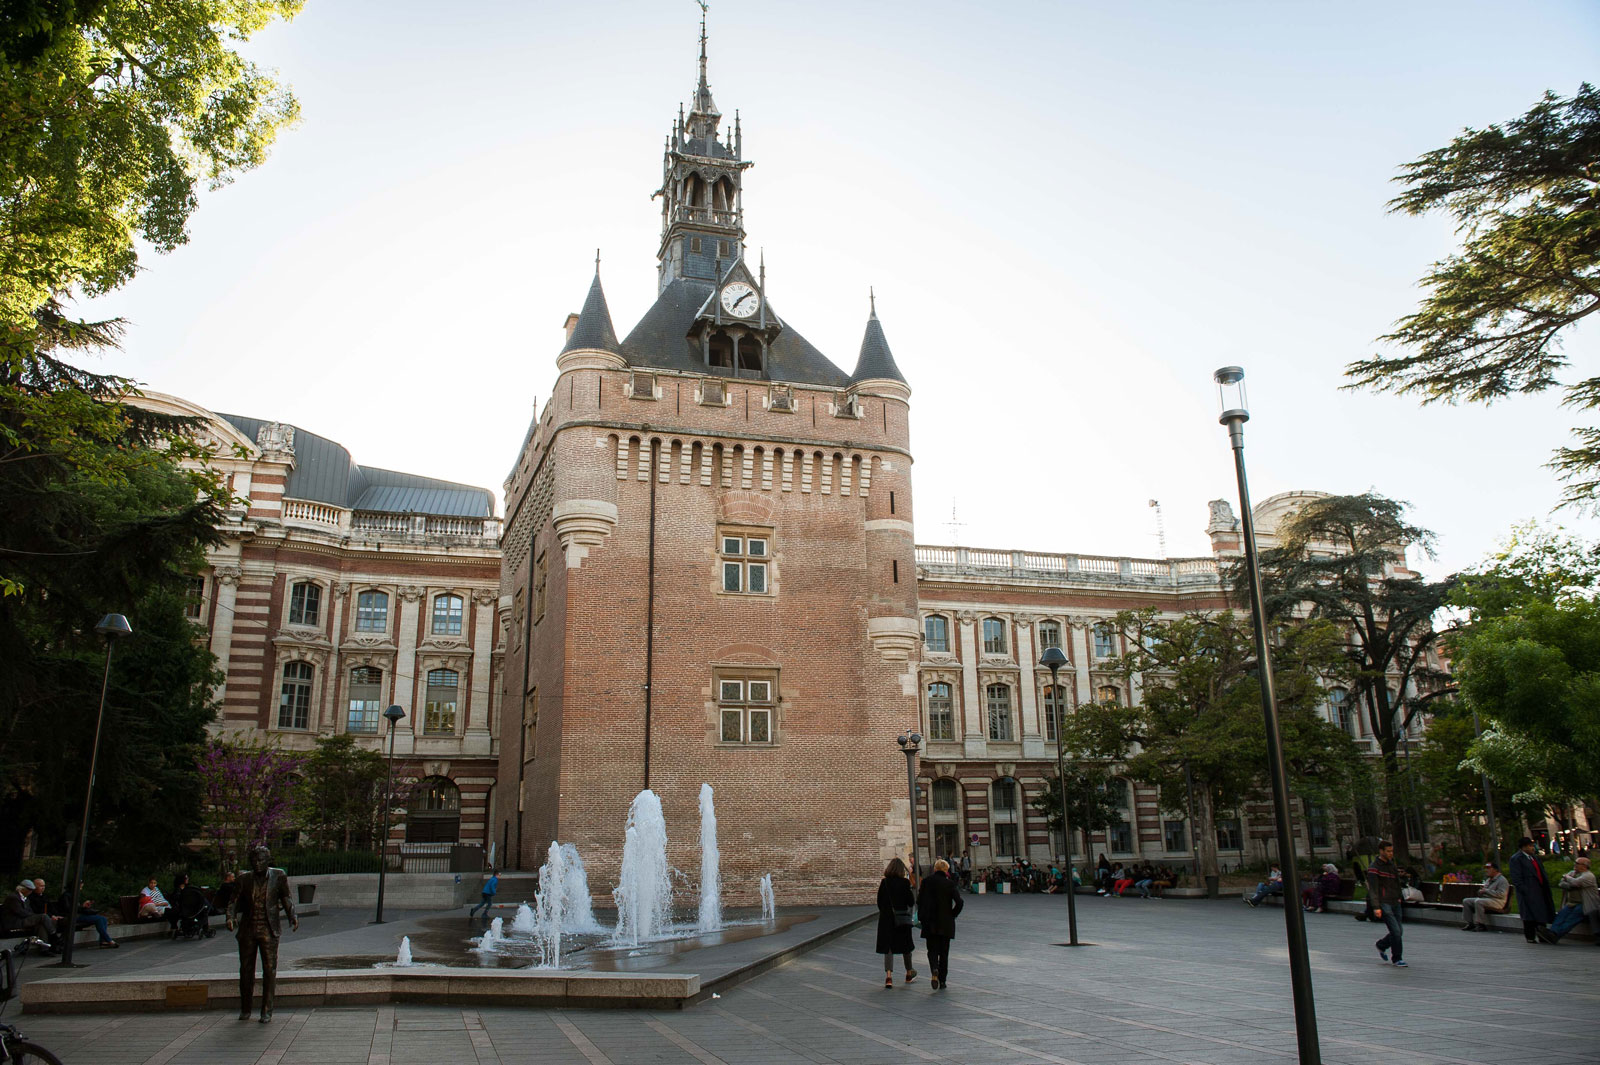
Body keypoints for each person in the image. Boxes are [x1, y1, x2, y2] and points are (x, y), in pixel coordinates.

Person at [227, 844, 298, 1023]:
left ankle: (266, 1011)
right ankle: (245, 1009)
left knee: (269, 970)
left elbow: (286, 897)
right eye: (254, 860)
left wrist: (292, 915)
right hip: (248, 929)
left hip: (269, 928)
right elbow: (233, 901)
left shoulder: (278, 876)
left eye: (260, 860)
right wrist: (230, 917)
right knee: (246, 970)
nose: (257, 864)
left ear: (268, 861)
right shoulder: (244, 879)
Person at [917, 858, 962, 991]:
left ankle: (934, 969)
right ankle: (942, 981)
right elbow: (960, 902)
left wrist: (921, 917)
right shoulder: (950, 884)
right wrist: (952, 915)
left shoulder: (926, 882)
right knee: (944, 952)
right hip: (946, 923)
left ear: (935, 869)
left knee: (932, 950)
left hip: (930, 922)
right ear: (946, 870)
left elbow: (919, 901)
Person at [875, 857, 917, 988]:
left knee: (889, 948)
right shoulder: (905, 883)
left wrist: (886, 912)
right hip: (901, 918)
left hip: (887, 920)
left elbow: (879, 902)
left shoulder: (884, 883)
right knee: (906, 946)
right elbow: (911, 901)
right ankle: (909, 973)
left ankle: (888, 977)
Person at [1508, 837, 1556, 944]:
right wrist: (1525, 890)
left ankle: (1543, 934)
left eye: (1532, 845)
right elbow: (1516, 877)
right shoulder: (1517, 859)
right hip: (1528, 891)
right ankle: (1530, 936)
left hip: (1540, 890)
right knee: (1529, 915)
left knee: (1541, 913)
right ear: (1523, 847)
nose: (1532, 848)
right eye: (1530, 846)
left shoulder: (1534, 858)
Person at [1367, 839, 1406, 967]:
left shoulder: (1391, 865)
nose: (1390, 854)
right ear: (1381, 851)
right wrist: (1376, 907)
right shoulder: (1374, 868)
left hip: (1395, 900)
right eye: (1388, 851)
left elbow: (1396, 883)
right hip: (1384, 902)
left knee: (1399, 931)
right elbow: (1373, 889)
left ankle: (1381, 945)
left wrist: (1399, 897)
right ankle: (1397, 958)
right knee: (1395, 931)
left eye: (1391, 851)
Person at [1546, 855, 1598, 944]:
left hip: (1584, 905)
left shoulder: (1589, 876)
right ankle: (1552, 932)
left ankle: (1556, 935)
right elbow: (1561, 883)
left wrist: (1567, 878)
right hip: (1571, 903)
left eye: (1577, 863)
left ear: (1584, 866)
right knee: (1561, 915)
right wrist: (1570, 884)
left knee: (1572, 919)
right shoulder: (1572, 873)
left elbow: (1576, 882)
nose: (1575, 865)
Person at [54, 882, 118, 948]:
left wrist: (84, 907)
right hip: (72, 917)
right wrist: (82, 907)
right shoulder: (66, 896)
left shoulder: (74, 895)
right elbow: (69, 909)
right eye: (80, 887)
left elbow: (77, 908)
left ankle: (104, 940)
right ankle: (108, 940)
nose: (81, 889)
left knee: (103, 919)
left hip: (78, 915)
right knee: (99, 919)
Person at [2, 881, 59, 952]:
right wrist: (34, 916)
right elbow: (20, 912)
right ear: (23, 889)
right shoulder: (13, 897)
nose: (31, 892)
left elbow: (30, 911)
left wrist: (32, 916)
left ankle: (45, 949)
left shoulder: (26, 899)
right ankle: (54, 935)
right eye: (30, 890)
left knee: (41, 925)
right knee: (43, 917)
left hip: (23, 920)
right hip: (15, 921)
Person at [1460, 861, 1510, 931]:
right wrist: (1481, 892)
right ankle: (1470, 923)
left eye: (1489, 868)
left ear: (1495, 869)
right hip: (1487, 899)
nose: (1486, 870)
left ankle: (1480, 924)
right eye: (1486, 868)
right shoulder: (1488, 880)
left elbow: (1501, 894)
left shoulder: (1502, 880)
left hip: (1498, 901)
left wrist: (1486, 891)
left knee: (1479, 902)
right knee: (1466, 901)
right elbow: (1484, 891)